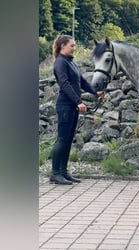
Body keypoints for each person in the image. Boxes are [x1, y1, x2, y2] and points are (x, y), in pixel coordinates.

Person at [50, 34, 104, 185]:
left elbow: (82, 81)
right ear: (62, 46)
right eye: (72, 45)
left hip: (72, 105)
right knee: (62, 139)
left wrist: (95, 92)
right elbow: (64, 84)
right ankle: (55, 173)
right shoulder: (60, 62)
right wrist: (79, 101)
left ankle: (63, 172)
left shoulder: (71, 63)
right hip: (65, 105)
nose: (74, 48)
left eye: (74, 45)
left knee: (68, 139)